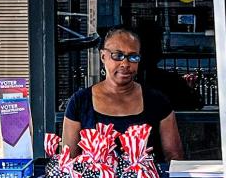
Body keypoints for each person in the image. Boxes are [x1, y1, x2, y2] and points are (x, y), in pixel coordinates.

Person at [62, 28, 184, 161]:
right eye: (118, 55)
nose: (125, 64)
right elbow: (69, 161)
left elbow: (174, 158)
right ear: (103, 56)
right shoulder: (79, 102)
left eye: (133, 57)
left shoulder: (158, 102)